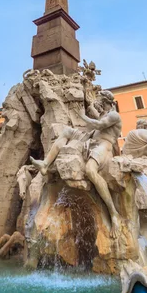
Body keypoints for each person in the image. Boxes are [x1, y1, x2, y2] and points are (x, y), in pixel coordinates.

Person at [31, 90, 122, 237]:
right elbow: (95, 122)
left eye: (98, 100)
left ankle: (113, 213)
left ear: (105, 101)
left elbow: (99, 125)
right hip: (90, 140)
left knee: (90, 170)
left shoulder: (113, 115)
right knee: (67, 131)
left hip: (104, 146)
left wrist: (82, 116)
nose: (96, 103)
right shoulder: (103, 114)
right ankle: (45, 164)